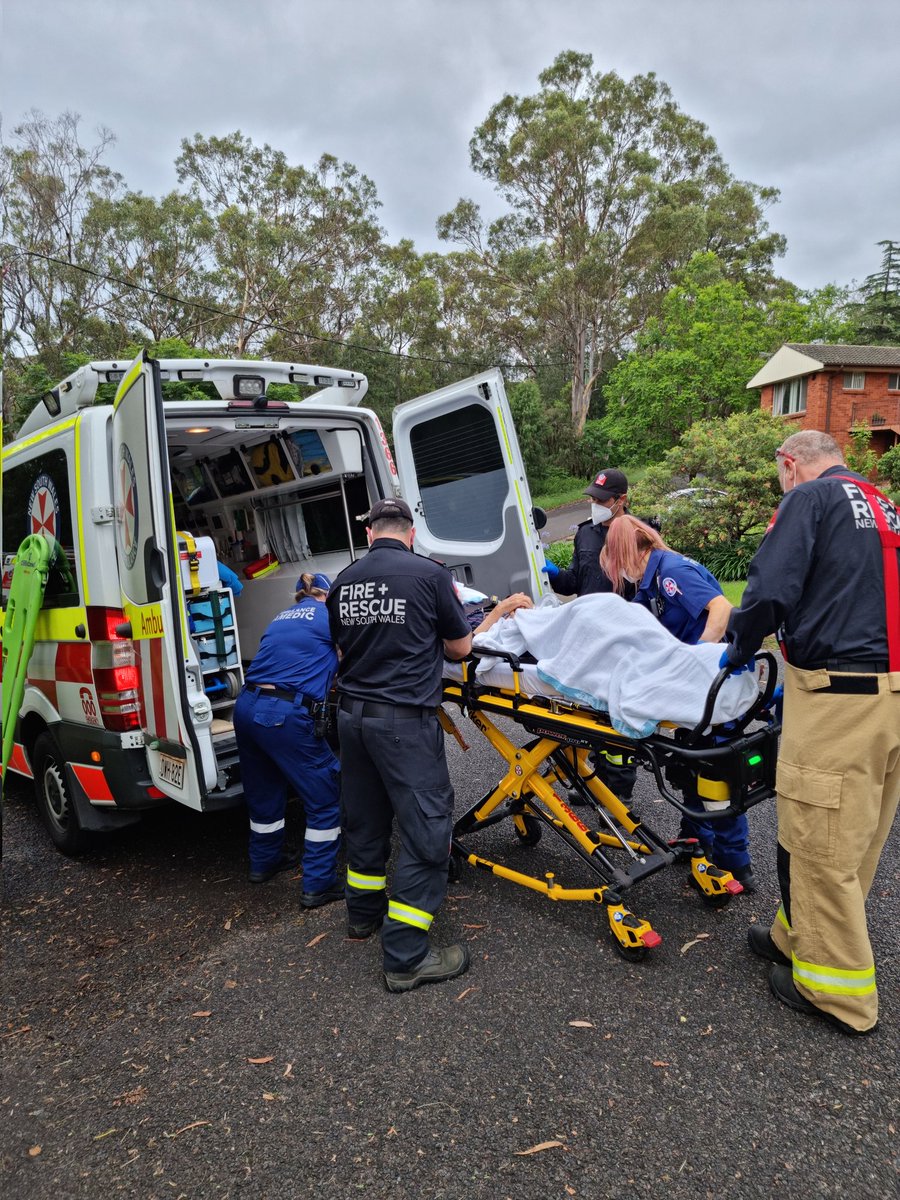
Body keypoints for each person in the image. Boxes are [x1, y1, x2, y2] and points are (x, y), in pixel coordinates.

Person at [721, 430, 900, 1036]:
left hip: (840, 699)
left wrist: (740, 645)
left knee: (820, 836)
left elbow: (770, 586)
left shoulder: (810, 500)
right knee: (854, 832)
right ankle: (794, 934)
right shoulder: (882, 505)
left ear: (790, 465)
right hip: (889, 694)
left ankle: (836, 993)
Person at [327, 496, 532, 993]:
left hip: (352, 718)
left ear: (372, 534)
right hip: (403, 723)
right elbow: (461, 648)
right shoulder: (429, 575)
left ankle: (363, 917)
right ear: (410, 534)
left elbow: (340, 648)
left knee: (367, 820)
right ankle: (405, 957)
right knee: (425, 830)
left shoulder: (343, 581)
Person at [600, 514, 754, 891]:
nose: (621, 576)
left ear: (628, 554)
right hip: (701, 689)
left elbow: (721, 610)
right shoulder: (650, 584)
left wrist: (695, 660)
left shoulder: (671, 572)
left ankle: (735, 864)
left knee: (715, 776)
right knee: (691, 767)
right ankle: (695, 841)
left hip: (715, 683)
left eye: (618, 566)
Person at [233, 572, 342, 904]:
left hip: (246, 707)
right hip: (281, 714)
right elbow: (349, 657)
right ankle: (318, 883)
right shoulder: (328, 617)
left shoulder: (280, 618)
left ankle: (264, 863)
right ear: (327, 596)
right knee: (325, 795)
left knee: (264, 789)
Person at [544, 467, 631, 597]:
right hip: (589, 614)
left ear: (621, 500)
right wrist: (557, 575)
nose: (595, 504)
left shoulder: (638, 534)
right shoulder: (585, 533)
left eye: (601, 500)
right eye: (593, 498)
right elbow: (574, 583)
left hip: (623, 614)